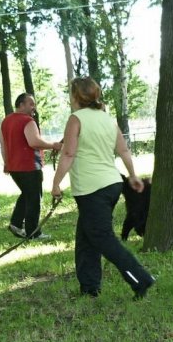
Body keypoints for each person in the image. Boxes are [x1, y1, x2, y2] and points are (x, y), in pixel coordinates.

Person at [51, 77, 155, 299]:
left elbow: (68, 153)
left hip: (92, 188)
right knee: (86, 237)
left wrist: (56, 183)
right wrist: (133, 175)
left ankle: (141, 279)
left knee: (102, 238)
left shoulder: (76, 119)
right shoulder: (107, 119)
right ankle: (89, 288)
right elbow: (124, 150)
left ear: (75, 96)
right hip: (112, 184)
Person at [0, 93, 63, 240]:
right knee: (34, 197)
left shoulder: (6, 121)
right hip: (29, 166)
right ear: (21, 104)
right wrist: (54, 145)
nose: (34, 107)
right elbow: (34, 142)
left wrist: (6, 163)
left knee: (27, 194)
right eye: (31, 104)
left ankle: (16, 223)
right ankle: (33, 232)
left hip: (14, 167)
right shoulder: (28, 121)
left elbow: (3, 144)